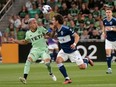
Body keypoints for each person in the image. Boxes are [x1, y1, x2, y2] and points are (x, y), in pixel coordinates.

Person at [51, 14, 94, 84]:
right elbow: (52, 37)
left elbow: (77, 36)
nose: (52, 21)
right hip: (64, 50)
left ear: (57, 21)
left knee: (82, 67)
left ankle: (86, 60)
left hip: (72, 51)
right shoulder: (56, 30)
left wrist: (74, 44)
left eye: (53, 20)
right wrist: (53, 30)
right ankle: (67, 78)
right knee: (58, 61)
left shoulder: (66, 29)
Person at [11, 18, 57, 84]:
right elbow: (25, 42)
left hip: (44, 49)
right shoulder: (28, 33)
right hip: (35, 50)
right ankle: (24, 78)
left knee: (47, 63)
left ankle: (51, 73)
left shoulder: (41, 28)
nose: (36, 24)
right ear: (30, 25)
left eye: (36, 22)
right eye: (34, 22)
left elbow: (51, 36)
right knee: (28, 60)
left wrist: (54, 30)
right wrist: (15, 41)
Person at [102, 8, 116, 74]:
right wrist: (104, 33)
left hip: (115, 39)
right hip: (108, 40)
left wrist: (111, 28)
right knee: (108, 54)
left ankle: (114, 56)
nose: (108, 13)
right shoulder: (104, 20)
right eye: (107, 12)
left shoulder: (114, 20)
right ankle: (109, 68)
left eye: (109, 12)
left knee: (111, 54)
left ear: (111, 13)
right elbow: (104, 28)